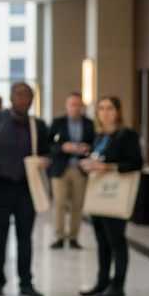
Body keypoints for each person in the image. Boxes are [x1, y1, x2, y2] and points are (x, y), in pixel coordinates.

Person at [0, 81, 51, 296]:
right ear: (11, 98)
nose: (24, 100)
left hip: (27, 188)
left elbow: (48, 152)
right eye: (20, 96)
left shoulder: (37, 125)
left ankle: (26, 283)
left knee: (25, 236)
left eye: (28, 97)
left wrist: (45, 160)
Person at [80, 95, 143, 296]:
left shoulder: (126, 135)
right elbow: (97, 158)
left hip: (115, 194)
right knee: (102, 241)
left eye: (109, 108)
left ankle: (118, 285)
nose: (105, 113)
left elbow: (136, 163)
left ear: (117, 112)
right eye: (101, 108)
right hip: (99, 195)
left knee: (116, 240)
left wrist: (108, 167)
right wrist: (88, 164)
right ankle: (102, 281)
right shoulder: (98, 136)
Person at [48, 91, 95, 250]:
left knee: (77, 204)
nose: (75, 107)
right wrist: (62, 147)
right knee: (59, 203)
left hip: (80, 169)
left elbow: (95, 144)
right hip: (61, 168)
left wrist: (87, 148)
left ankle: (73, 237)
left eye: (78, 104)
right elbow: (49, 146)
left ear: (82, 106)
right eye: (72, 104)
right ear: (66, 106)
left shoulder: (89, 124)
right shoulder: (57, 122)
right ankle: (59, 236)